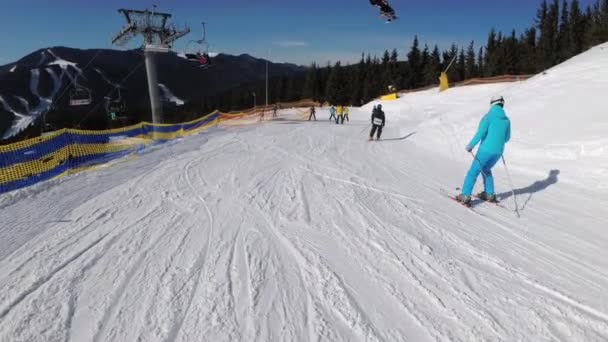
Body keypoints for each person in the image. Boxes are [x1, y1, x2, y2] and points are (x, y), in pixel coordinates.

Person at [456, 95, 511, 206]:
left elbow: (480, 133)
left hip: (486, 150)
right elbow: (507, 138)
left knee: (473, 172)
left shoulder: (488, 117)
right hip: (498, 152)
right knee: (486, 169)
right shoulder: (507, 120)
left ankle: (465, 195)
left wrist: (471, 145)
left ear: (492, 104)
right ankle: (489, 194)